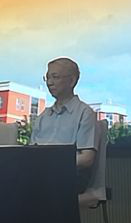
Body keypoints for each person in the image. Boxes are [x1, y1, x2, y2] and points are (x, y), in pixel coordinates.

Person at [30, 57, 97, 192]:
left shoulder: (84, 113)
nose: (49, 83)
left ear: (72, 81)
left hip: (69, 174)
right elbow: (30, 152)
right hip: (40, 173)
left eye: (55, 77)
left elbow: (87, 158)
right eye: (47, 78)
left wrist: (53, 164)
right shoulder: (43, 116)